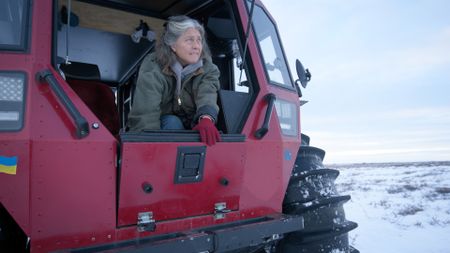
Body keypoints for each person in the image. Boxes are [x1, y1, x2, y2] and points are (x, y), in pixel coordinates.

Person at [127, 15, 221, 146]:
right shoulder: (153, 65)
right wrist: (148, 146)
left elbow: (207, 93)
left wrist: (206, 118)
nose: (196, 46)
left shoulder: (208, 68)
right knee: (172, 122)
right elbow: (146, 112)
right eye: (189, 40)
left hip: (192, 124)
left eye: (199, 40)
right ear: (173, 45)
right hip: (163, 128)